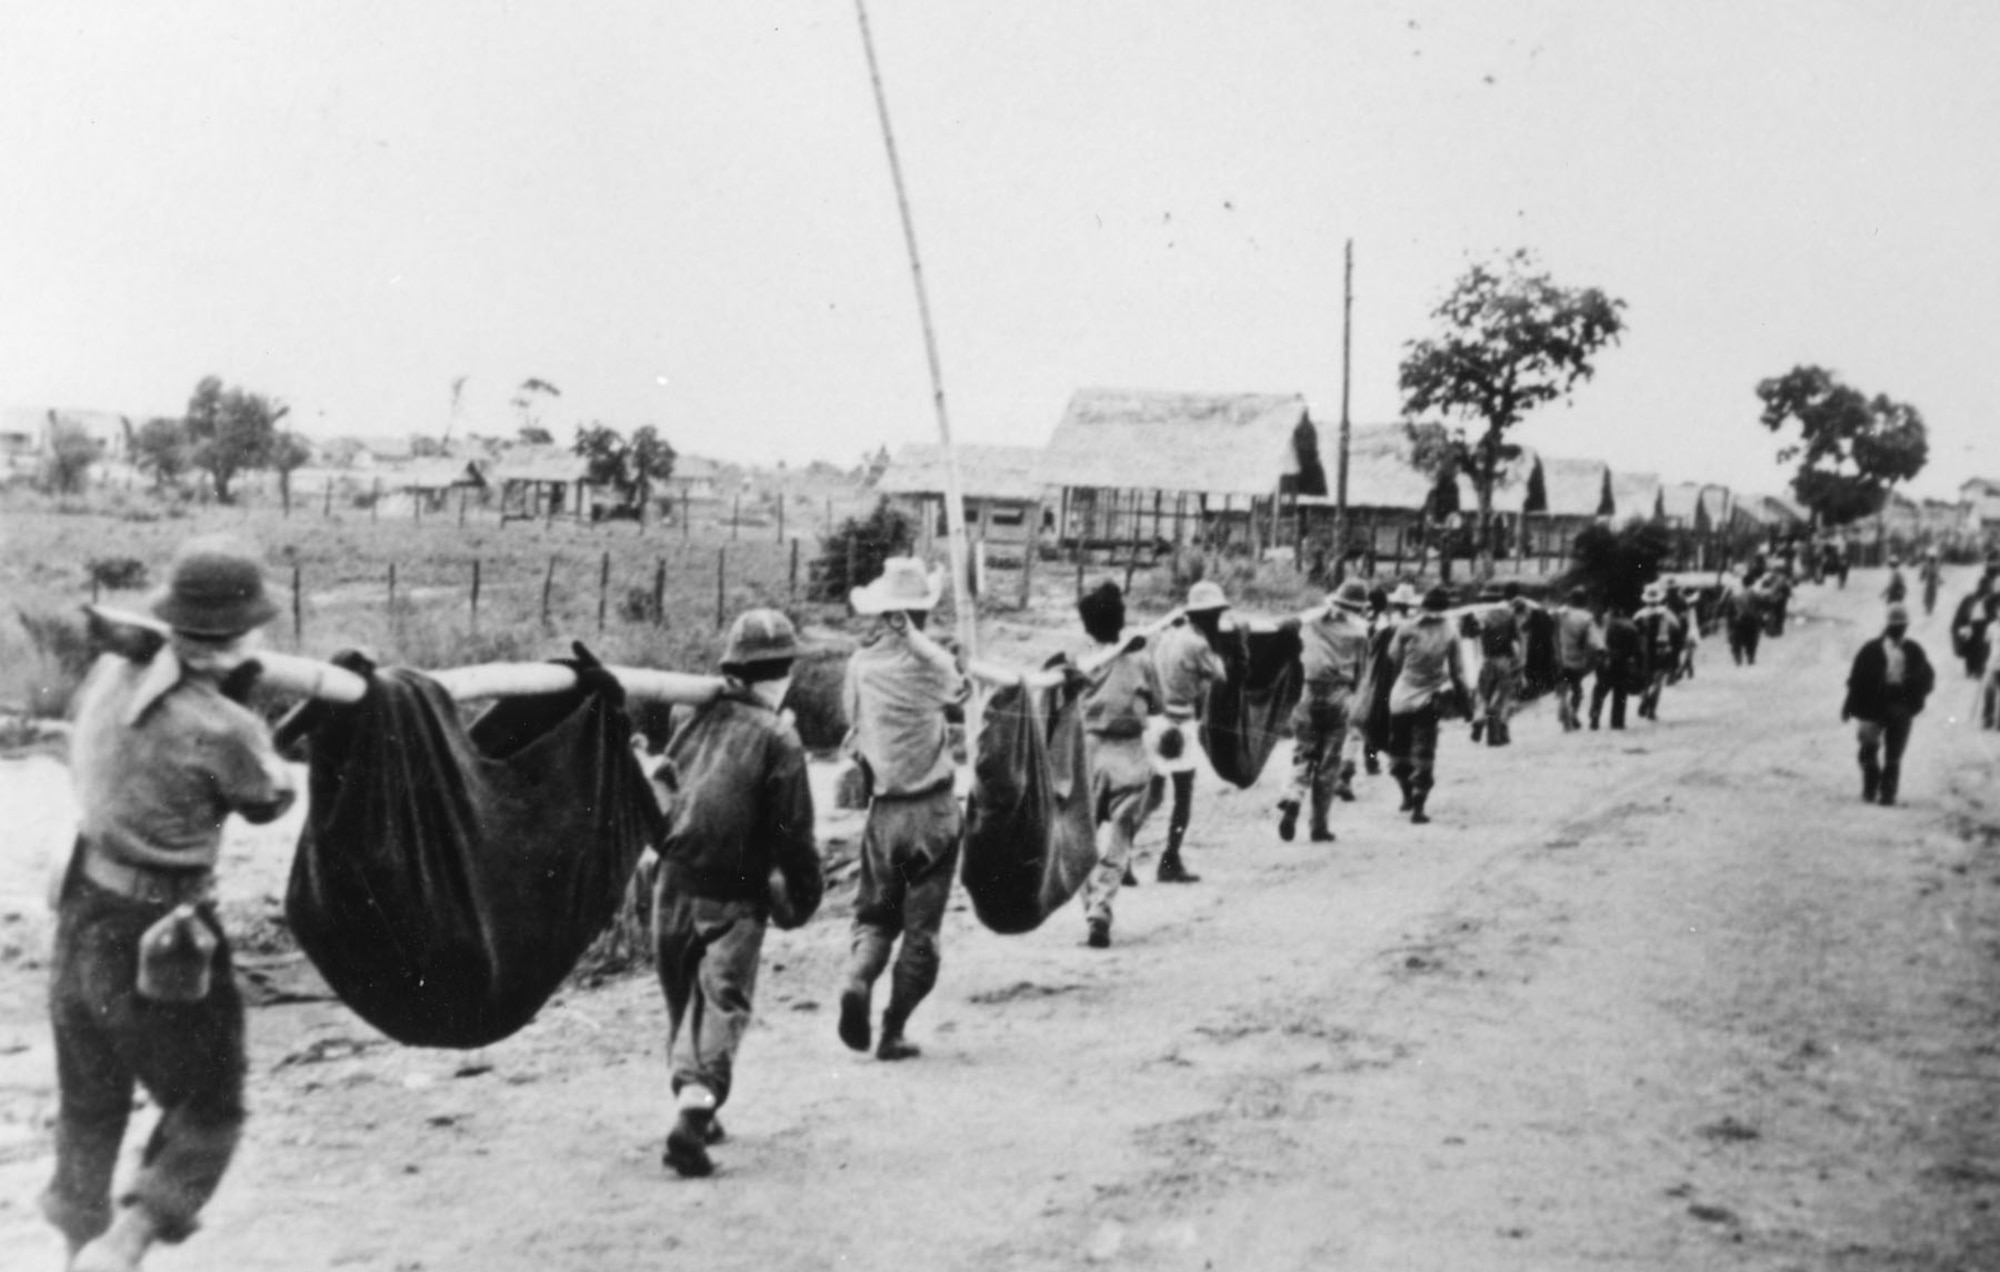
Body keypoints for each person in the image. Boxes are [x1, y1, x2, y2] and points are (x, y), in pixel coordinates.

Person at [45, 536, 297, 1271]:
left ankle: (74, 1251)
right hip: (161, 934)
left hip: (82, 911)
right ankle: (122, 1248)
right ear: (242, 632)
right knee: (209, 1107)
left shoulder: (110, 669)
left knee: (90, 1106)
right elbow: (269, 798)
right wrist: (241, 708)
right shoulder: (223, 726)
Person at [652, 609, 823, 1177]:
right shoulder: (780, 737)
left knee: (684, 999)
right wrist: (803, 892)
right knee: (722, 1002)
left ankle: (693, 1104)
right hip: (734, 893)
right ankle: (694, 1116)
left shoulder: (687, 710)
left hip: (672, 884)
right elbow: (793, 832)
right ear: (780, 674)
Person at [838, 558, 970, 1062]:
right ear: (922, 615)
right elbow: (957, 685)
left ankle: (857, 978)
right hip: (933, 810)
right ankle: (892, 1028)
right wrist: (919, 641)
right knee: (922, 931)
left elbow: (852, 730)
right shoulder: (930, 667)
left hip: (884, 812)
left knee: (874, 917)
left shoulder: (861, 667)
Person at [1072, 582, 1166, 948]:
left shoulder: (1078, 660)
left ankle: (1091, 903)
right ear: (1121, 620)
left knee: (1081, 838)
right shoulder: (1140, 660)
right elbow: (1158, 704)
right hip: (1128, 751)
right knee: (1121, 835)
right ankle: (1103, 903)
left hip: (1086, 752)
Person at [1148, 580, 1232, 880]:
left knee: (1152, 794)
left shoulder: (1167, 636)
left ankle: (1123, 855)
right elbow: (1221, 676)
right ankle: (1170, 859)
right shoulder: (1199, 643)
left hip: (1156, 720)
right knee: (1183, 796)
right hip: (1181, 721)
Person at [1277, 579, 1372, 843]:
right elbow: (1362, 674)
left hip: (1307, 692)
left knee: (1303, 751)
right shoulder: (1360, 632)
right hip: (1339, 695)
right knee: (1329, 761)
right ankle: (1319, 825)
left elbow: (1284, 626)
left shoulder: (1310, 622)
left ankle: (1293, 795)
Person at [1386, 586, 1470, 825]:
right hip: (1430, 697)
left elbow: (1393, 659)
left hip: (1401, 696)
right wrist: (1465, 703)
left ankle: (1406, 796)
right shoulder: (1450, 631)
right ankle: (1419, 806)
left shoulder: (1406, 628)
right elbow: (1457, 671)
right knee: (1424, 750)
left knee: (1398, 749)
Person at [1841, 603, 1935, 806]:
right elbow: (1856, 678)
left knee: (1894, 753)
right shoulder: (1871, 649)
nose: (1898, 630)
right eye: (1895, 626)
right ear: (1888, 626)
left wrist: (1913, 694)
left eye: (1902, 626)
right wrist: (1848, 704)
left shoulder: (1913, 650)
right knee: (1868, 747)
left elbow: (1927, 677)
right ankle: (1871, 781)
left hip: (1900, 706)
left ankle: (1887, 793)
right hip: (1871, 705)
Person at [1353, 582, 1417, 779]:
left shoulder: (1376, 622)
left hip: (1373, 674)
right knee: (1390, 717)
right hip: (1393, 675)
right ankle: (1392, 758)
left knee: (1373, 715)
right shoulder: (1404, 623)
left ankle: (1371, 758)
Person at [1470, 583, 1525, 747]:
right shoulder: (1509, 615)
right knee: (1501, 696)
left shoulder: (1480, 616)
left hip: (1486, 659)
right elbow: (1518, 638)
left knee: (1483, 693)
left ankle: (1479, 717)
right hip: (1504, 660)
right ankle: (1494, 736)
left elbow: (1469, 634)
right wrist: (1520, 658)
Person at [1633, 583, 1685, 722]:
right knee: (1658, 680)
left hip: (1644, 651)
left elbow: (1633, 633)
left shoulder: (1639, 615)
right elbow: (1677, 629)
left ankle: (1645, 697)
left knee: (1645, 680)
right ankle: (1652, 709)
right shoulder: (1667, 614)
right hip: (1662, 650)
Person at [1551, 587, 1600, 732]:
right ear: (1585, 600)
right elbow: (1594, 640)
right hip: (1578, 659)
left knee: (1563, 688)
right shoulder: (1587, 617)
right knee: (1577, 689)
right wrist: (1600, 651)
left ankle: (1563, 711)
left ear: (1571, 599)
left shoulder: (1561, 613)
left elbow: (1551, 619)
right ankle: (1572, 713)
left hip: (1560, 657)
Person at [1591, 602, 1645, 730]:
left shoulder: (1604, 625)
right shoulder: (1631, 626)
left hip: (1607, 662)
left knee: (1600, 691)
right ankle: (1617, 722)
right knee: (1620, 693)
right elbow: (1638, 650)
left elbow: (1597, 644)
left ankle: (1595, 716)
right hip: (1623, 664)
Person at [1722, 574, 1764, 666]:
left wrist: (1730, 624)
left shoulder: (1734, 595)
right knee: (1752, 640)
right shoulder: (1755, 594)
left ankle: (1738, 658)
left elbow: (1729, 611)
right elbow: (1762, 606)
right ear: (1752, 583)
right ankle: (1750, 657)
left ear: (1742, 583)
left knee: (1736, 640)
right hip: (1752, 621)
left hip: (1738, 621)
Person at [1919, 548, 1943, 617]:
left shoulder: (1936, 564)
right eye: (1931, 557)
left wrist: (1939, 580)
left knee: (1932, 595)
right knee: (1928, 595)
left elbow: (1937, 573)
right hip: (1929, 581)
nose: (1932, 558)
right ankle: (1928, 607)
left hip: (1933, 582)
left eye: (1933, 557)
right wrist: (1922, 577)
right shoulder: (1926, 564)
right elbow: (1923, 571)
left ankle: (1930, 608)